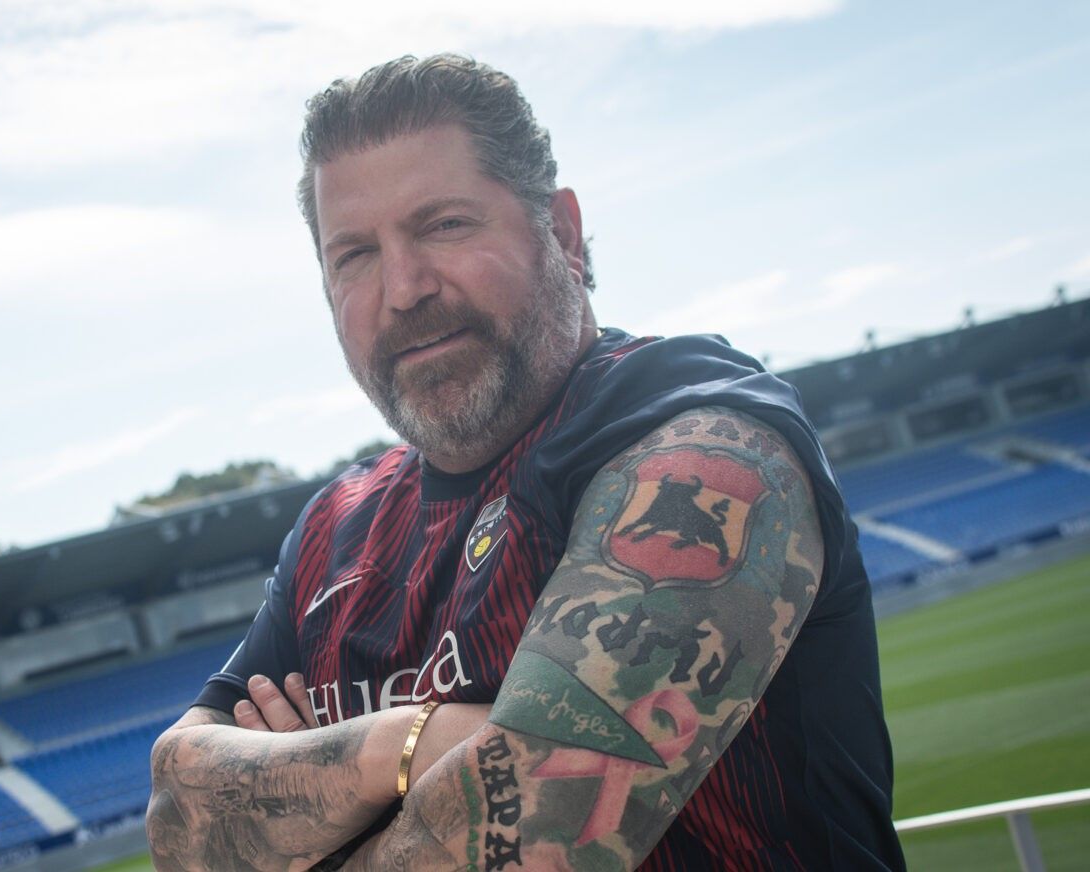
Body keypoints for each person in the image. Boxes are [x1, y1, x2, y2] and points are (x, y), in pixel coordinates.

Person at [146, 54, 905, 871]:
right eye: (355, 255)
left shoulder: (701, 446)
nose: (404, 288)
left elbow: (533, 848)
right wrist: (416, 745)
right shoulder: (334, 531)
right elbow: (177, 823)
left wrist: (306, 808)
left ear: (564, 233)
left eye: (444, 225)